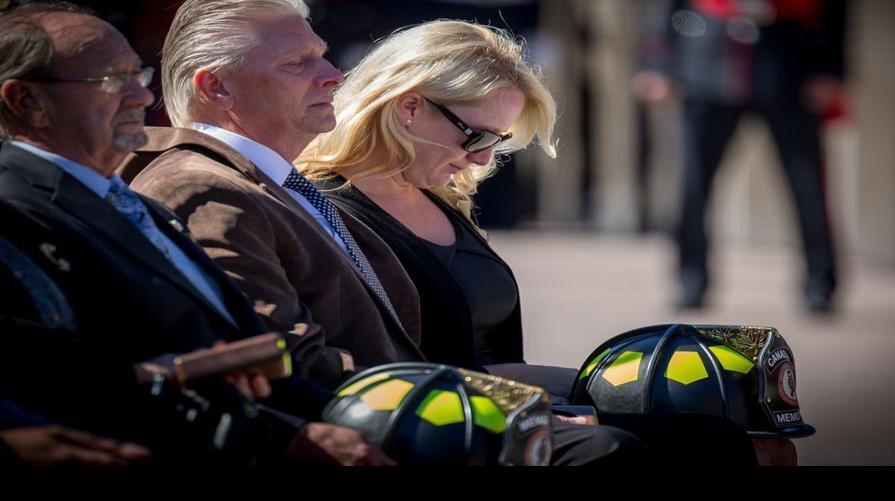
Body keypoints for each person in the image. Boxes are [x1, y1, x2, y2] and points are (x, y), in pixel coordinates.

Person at [124, 0, 644, 466]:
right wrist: (506, 411)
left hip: (406, 404)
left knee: (666, 398)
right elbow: (291, 363)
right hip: (374, 426)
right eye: (296, 63)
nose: (332, 74)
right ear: (216, 87)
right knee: (618, 442)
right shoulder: (206, 188)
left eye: (322, 54)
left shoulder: (273, 182)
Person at [297, 20, 762, 466]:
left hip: (504, 408)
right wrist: (563, 394)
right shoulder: (315, 207)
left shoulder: (439, 192)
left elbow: (495, 358)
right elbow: (368, 365)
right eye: (474, 135)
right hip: (436, 425)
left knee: (728, 429)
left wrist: (592, 385)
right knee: (618, 448)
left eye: (497, 141)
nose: (481, 157)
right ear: (409, 107)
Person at [0, 1, 391, 466]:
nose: (143, 99)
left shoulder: (134, 205)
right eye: (110, 82)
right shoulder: (16, 209)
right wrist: (289, 438)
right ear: (26, 102)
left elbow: (236, 354)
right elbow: (61, 381)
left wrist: (335, 421)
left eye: (137, 76)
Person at [633, 0, 845, 312]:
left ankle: (820, 283)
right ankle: (691, 279)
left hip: (788, 62)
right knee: (693, 186)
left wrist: (830, 69)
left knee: (807, 185)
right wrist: (657, 65)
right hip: (709, 59)